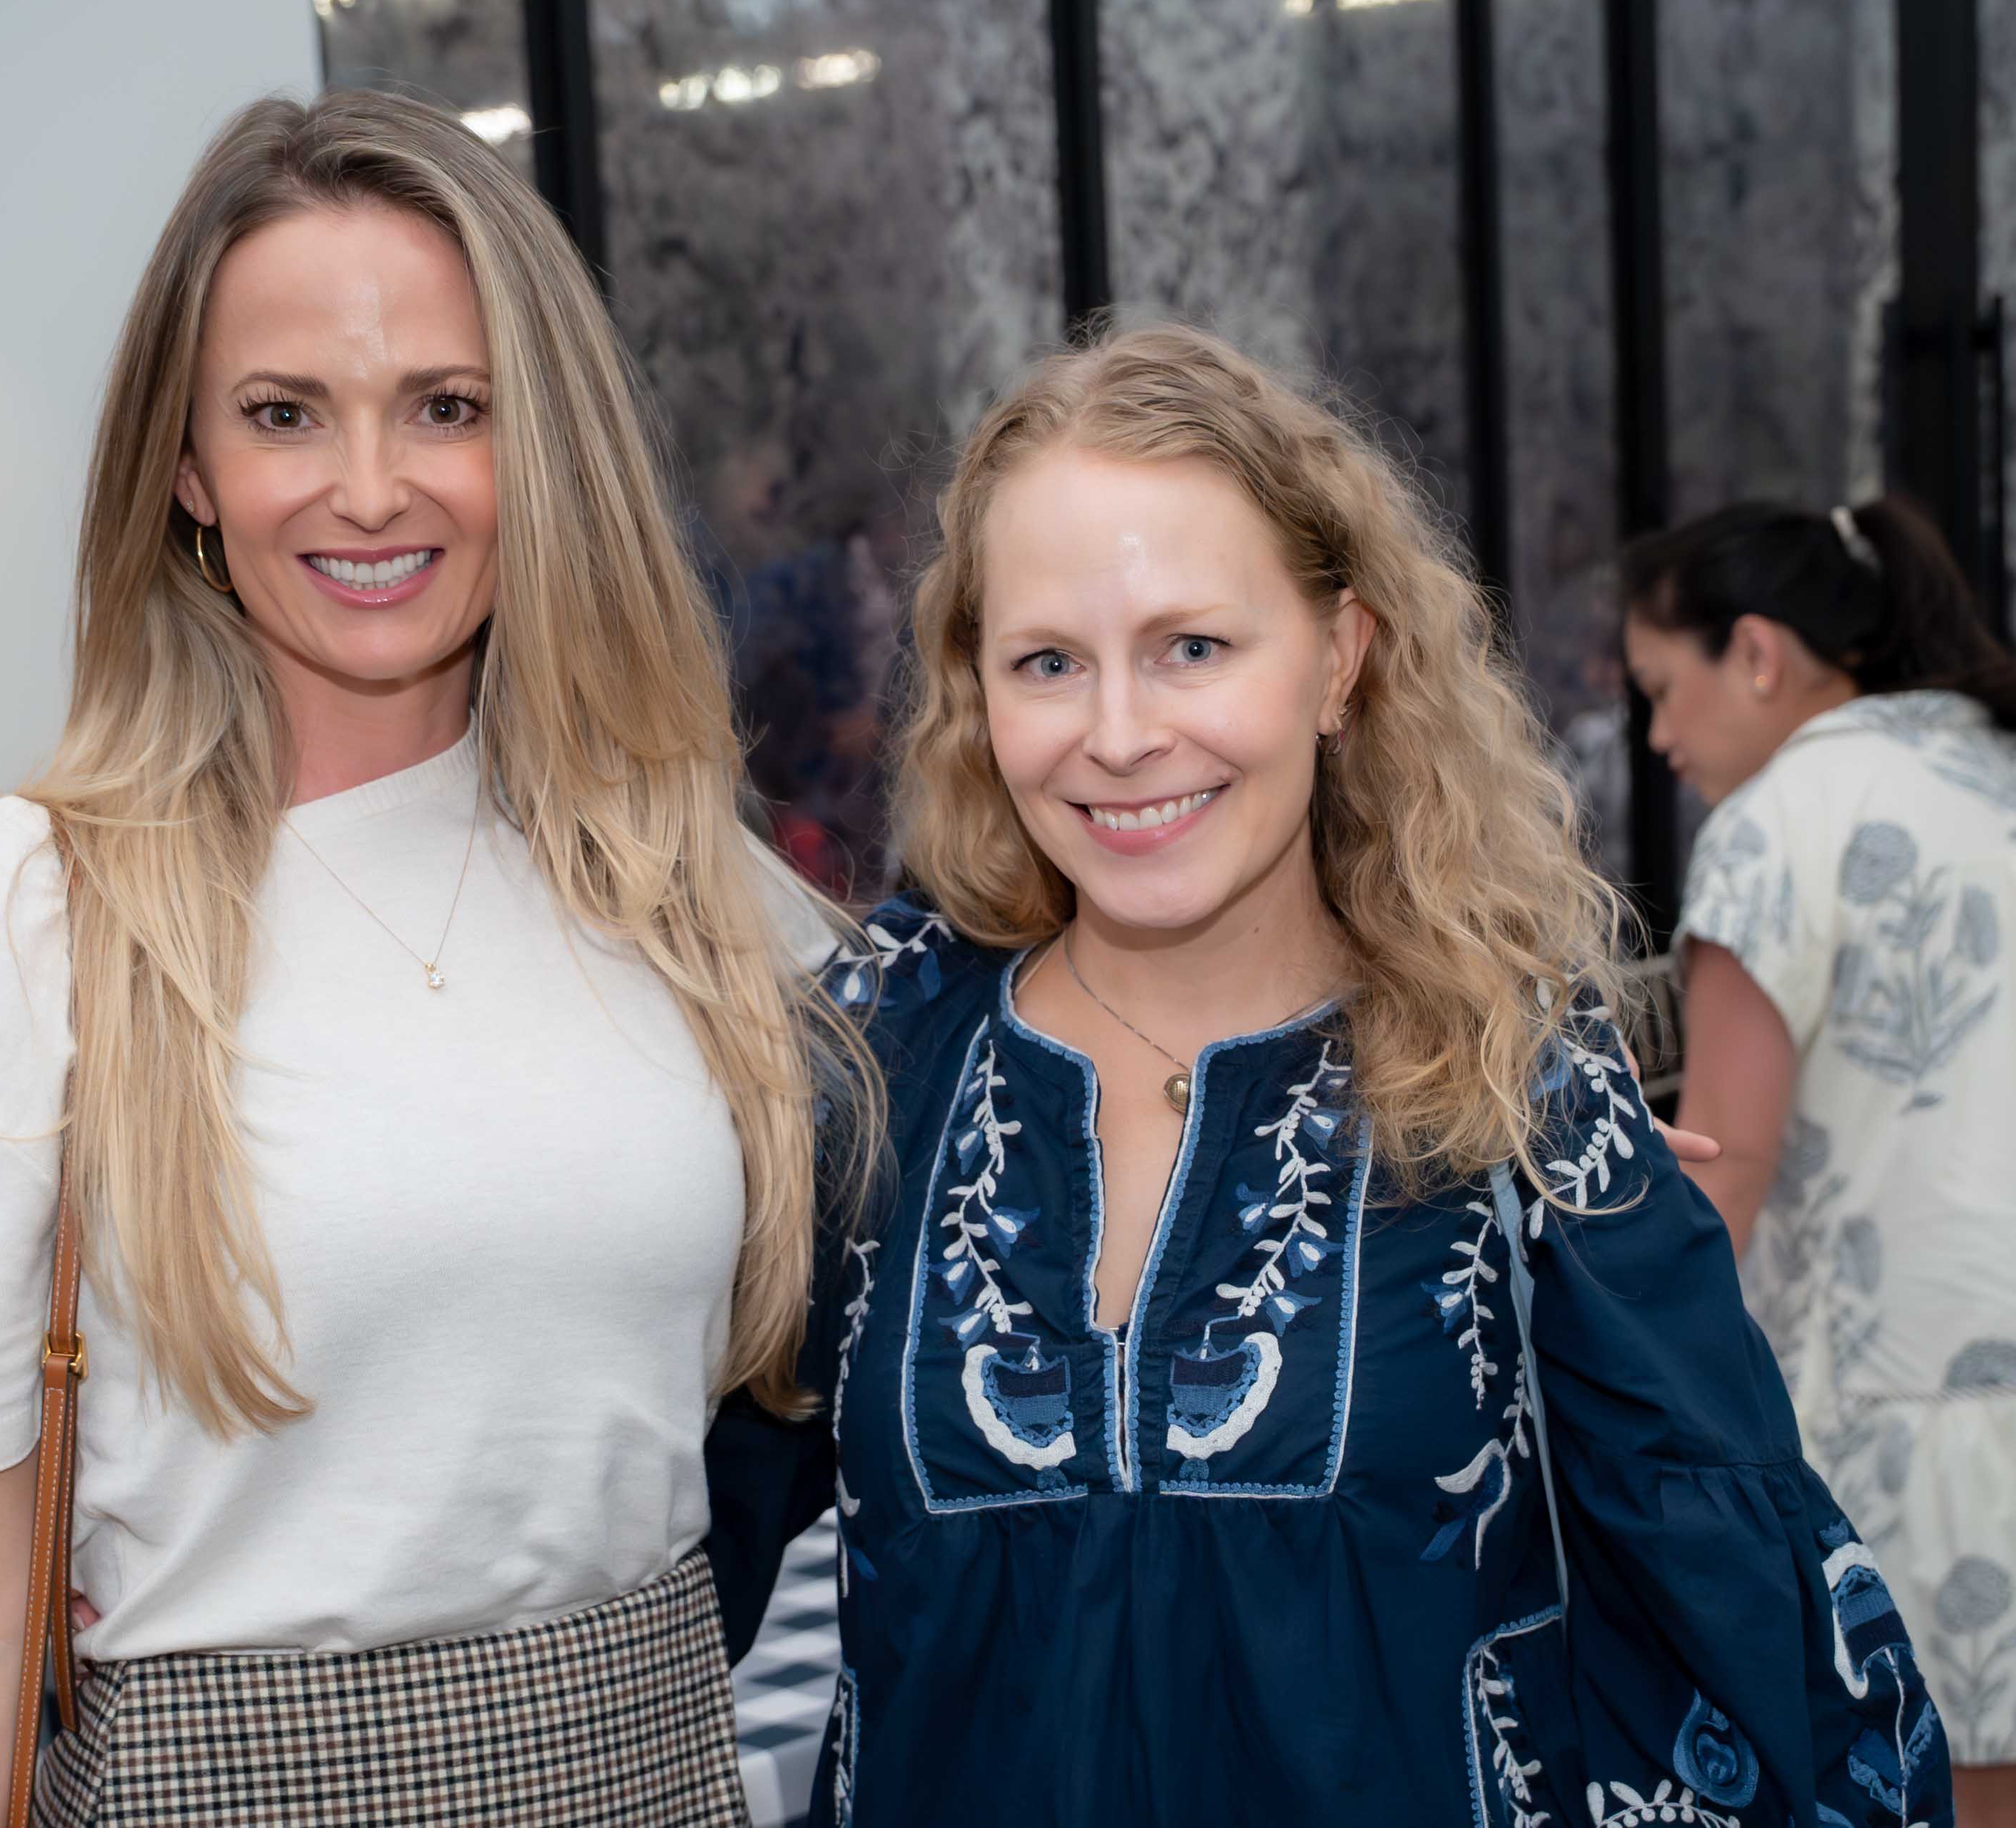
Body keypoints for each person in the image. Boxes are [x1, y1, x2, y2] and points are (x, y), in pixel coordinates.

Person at [705, 325, 1951, 1827]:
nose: (1118, 735)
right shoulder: (870, 1061)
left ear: (1338, 660)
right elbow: (658, 1534)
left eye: (1192, 647)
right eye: (1047, 662)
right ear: (978, 691)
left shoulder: (1509, 1076)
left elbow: (1746, 1624)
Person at [0, 90, 871, 1824]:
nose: (370, 487)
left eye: (446, 406)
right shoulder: (14, 917)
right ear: (187, 469)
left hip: (651, 1769)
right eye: (282, 412)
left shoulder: (687, 890)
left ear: (536, 446)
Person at [1626, 493, 2016, 1824]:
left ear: (1755, 652)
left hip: (1906, 1422)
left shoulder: (1783, 820)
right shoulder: (1991, 765)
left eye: (1659, 689)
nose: (1657, 738)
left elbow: (1719, 1170)